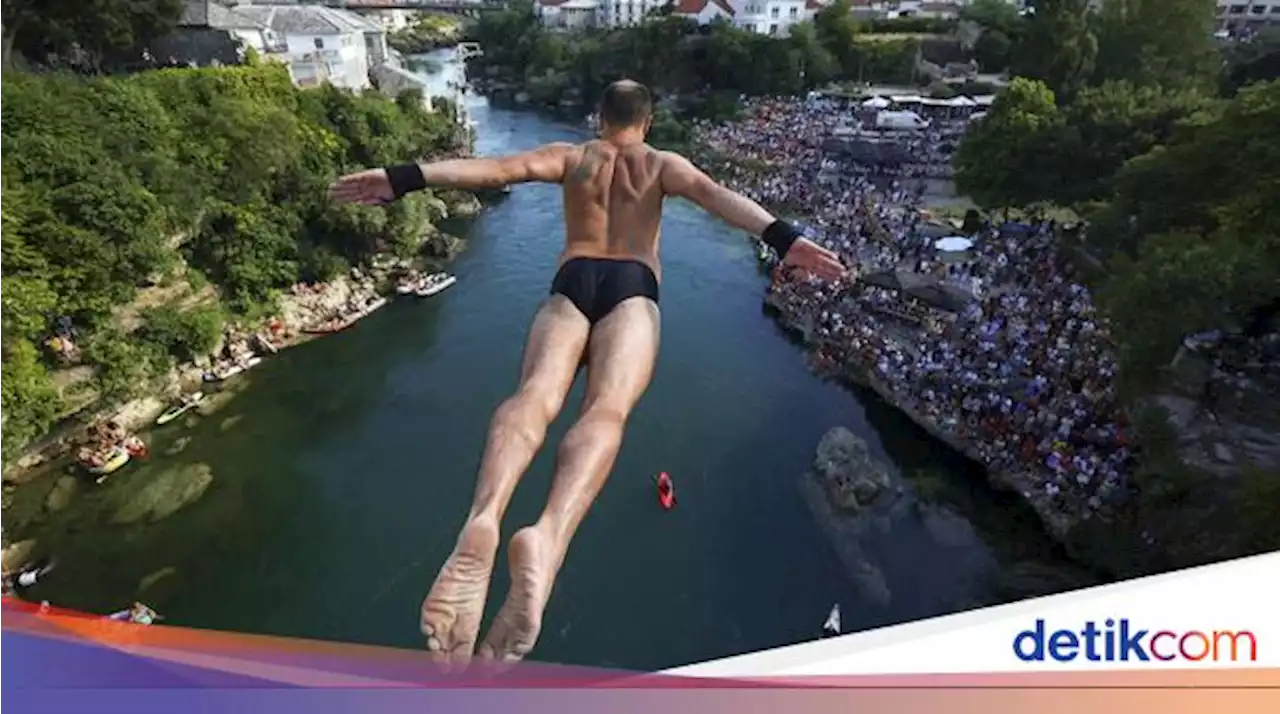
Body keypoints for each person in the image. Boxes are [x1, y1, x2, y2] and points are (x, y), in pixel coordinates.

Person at [328, 79, 846, 667]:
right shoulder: (660, 164)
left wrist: (403, 177)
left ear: (599, 118)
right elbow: (714, 195)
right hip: (632, 286)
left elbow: (498, 169)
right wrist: (787, 239)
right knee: (605, 409)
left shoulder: (571, 157)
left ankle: (485, 517)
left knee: (535, 395)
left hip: (571, 282)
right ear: (646, 123)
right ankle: (546, 538)